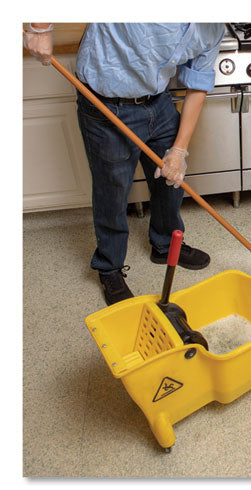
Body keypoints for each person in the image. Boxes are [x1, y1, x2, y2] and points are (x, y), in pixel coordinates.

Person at [24, 22, 226, 305]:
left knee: (170, 181)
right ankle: (109, 266)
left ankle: (165, 245)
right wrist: (39, 28)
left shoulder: (214, 28)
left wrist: (179, 150)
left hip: (159, 101)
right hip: (107, 104)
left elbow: (197, 84)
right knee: (113, 190)